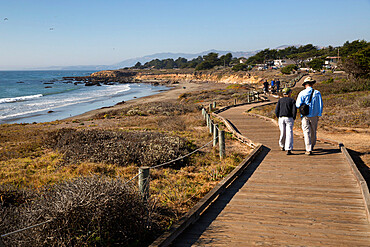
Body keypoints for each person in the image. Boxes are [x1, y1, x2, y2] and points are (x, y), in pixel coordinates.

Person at [296, 76, 323, 155]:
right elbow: (320, 104)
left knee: (306, 132)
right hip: (314, 115)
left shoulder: (302, 93)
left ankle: (308, 148)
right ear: (312, 84)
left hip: (305, 115)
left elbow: (298, 104)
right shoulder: (317, 93)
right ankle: (313, 145)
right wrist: (319, 113)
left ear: (305, 85)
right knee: (313, 131)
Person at [275, 88, 297, 155]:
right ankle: (289, 148)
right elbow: (294, 110)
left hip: (281, 118)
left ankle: (282, 145)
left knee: (282, 132)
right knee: (289, 133)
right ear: (289, 93)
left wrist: (278, 116)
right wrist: (293, 117)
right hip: (289, 118)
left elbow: (276, 110)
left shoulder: (280, 100)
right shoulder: (292, 100)